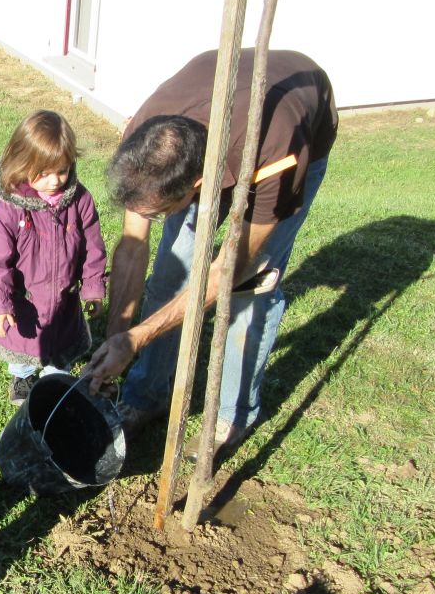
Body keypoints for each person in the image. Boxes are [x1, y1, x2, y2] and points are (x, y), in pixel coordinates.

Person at [86, 49, 338, 452]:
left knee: (249, 294)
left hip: (286, 137)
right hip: (212, 122)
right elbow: (133, 248)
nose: (150, 217)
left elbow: (228, 270)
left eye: (159, 212)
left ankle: (230, 416)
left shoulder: (277, 151)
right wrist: (118, 339)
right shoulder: (145, 138)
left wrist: (141, 336)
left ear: (197, 187)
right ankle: (144, 397)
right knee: (172, 274)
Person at [0, 110, 108, 405]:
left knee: (59, 349)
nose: (54, 181)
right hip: (25, 302)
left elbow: (93, 248)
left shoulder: (80, 201)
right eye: (43, 172)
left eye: (61, 170)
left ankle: (56, 384)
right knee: (22, 343)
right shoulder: (11, 209)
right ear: (23, 163)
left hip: (64, 300)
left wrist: (93, 288)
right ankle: (22, 377)